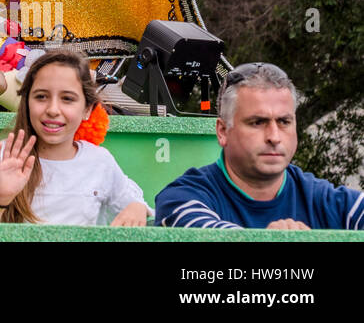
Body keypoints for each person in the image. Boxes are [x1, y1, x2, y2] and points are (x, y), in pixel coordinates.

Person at [155, 61, 363, 230]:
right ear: (223, 131)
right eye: (257, 122)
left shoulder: (324, 201)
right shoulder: (181, 199)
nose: (274, 136)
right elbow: (204, 233)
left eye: (284, 122)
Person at [0, 46, 149, 225]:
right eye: (41, 97)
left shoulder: (99, 161)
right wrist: (0, 199)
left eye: (67, 99)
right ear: (26, 102)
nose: (53, 110)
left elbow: (132, 200)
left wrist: (137, 206)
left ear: (87, 109)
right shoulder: (0, 157)